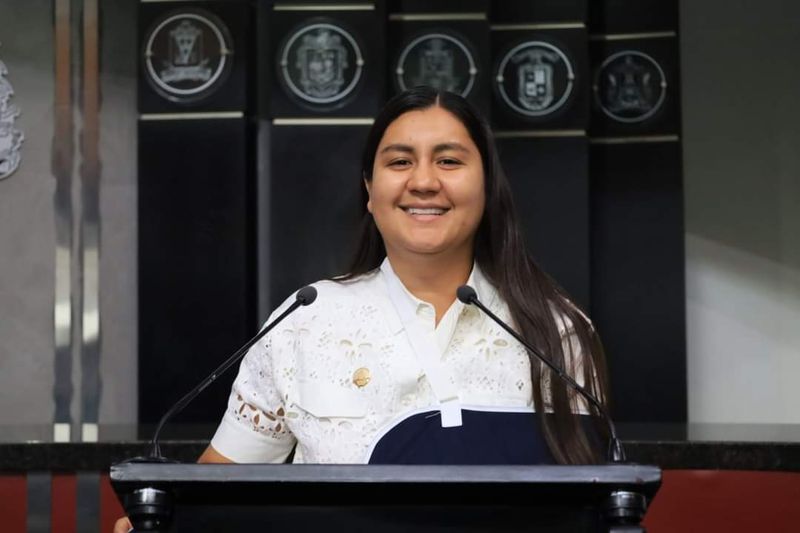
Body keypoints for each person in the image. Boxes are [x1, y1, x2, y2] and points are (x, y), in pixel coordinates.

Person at [114, 86, 609, 530]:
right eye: (399, 162)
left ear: (487, 186)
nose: (423, 181)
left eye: (449, 161)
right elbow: (219, 492)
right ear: (371, 192)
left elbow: (587, 505)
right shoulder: (305, 320)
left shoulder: (555, 330)